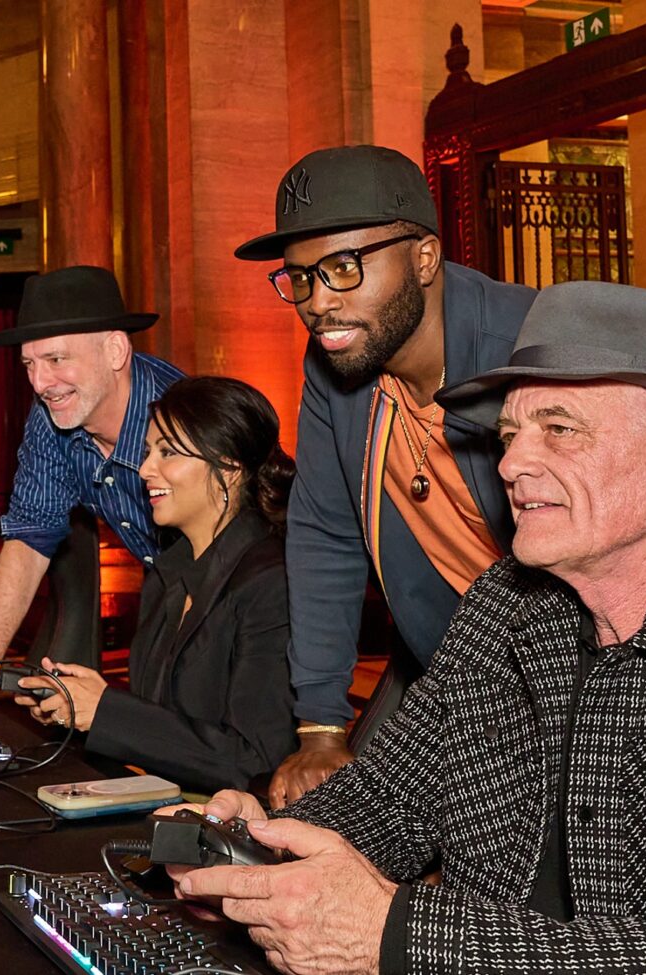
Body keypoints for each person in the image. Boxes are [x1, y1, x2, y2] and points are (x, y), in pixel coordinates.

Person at [168, 282, 646, 973]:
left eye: (559, 429)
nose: (510, 464)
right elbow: (391, 796)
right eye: (508, 435)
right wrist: (262, 851)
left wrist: (402, 934)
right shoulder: (504, 602)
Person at [233, 145, 536, 805]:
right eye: (301, 278)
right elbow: (323, 534)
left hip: (578, 688)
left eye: (343, 268)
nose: (316, 302)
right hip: (447, 672)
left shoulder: (529, 346)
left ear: (424, 257)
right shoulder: (335, 371)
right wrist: (319, 726)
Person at [0, 266, 184, 702]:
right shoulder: (53, 420)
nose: (40, 383)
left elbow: (231, 556)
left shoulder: (179, 416)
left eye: (56, 359)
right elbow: (29, 539)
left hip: (247, 594)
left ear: (114, 350)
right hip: (167, 582)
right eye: (30, 364)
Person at [13, 376, 297, 793]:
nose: (146, 469)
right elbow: (165, 724)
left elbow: (254, 761)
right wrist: (78, 705)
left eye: (167, 452)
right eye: (148, 452)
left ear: (229, 467)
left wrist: (107, 710)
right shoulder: (169, 571)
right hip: (163, 804)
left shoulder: (271, 582)